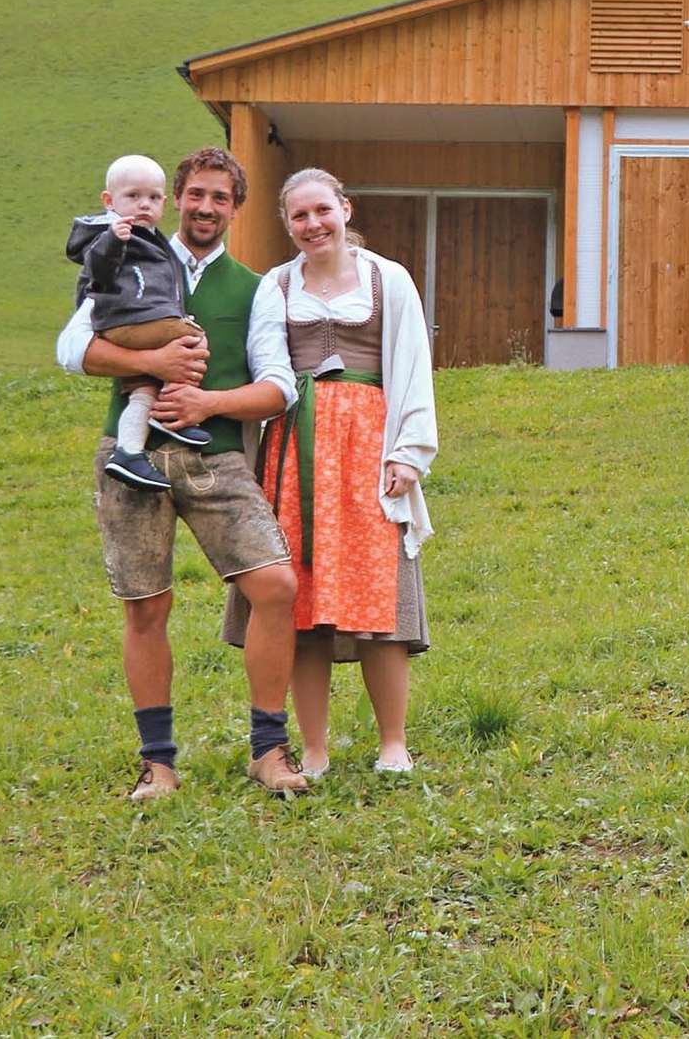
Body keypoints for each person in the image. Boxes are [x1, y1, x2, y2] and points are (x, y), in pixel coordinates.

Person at [57, 147, 311, 799]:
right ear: (176, 198)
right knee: (147, 606)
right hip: (130, 453)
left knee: (277, 585)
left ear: (234, 208)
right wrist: (164, 360)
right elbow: (72, 347)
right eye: (196, 194)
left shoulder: (254, 288)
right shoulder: (125, 254)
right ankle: (159, 763)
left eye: (219, 198)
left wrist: (207, 401)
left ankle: (268, 749)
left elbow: (279, 386)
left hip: (214, 452)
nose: (205, 207)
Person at [220, 167, 437, 777]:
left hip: (369, 448)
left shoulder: (387, 278)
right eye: (299, 216)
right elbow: (260, 364)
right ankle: (313, 748)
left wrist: (408, 453)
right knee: (303, 605)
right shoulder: (276, 285)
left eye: (322, 210)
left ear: (344, 208)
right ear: (287, 225)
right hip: (295, 450)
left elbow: (414, 365)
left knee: (381, 603)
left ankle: (392, 742)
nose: (313, 225)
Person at [65, 154, 213, 492]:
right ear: (109, 201)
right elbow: (96, 274)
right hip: (128, 319)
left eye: (153, 197)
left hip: (134, 320)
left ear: (164, 202)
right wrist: (112, 241)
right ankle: (172, 415)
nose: (144, 205)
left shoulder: (149, 238)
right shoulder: (111, 234)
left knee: (143, 389)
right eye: (133, 196)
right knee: (193, 340)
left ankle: (128, 451)